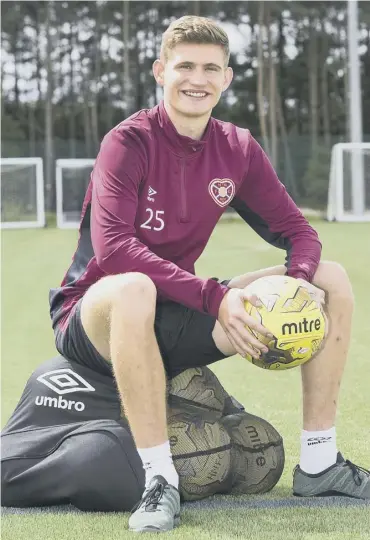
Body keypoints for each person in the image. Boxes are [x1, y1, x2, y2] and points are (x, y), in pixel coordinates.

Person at [49, 15, 369, 533]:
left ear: (226, 78)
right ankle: (160, 480)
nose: (197, 79)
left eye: (210, 69)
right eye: (185, 67)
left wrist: (299, 281)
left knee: (330, 277)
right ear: (160, 71)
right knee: (134, 287)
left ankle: (319, 461)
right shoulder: (127, 142)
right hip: (96, 316)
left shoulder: (236, 147)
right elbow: (114, 250)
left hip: (180, 308)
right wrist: (215, 296)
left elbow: (298, 232)